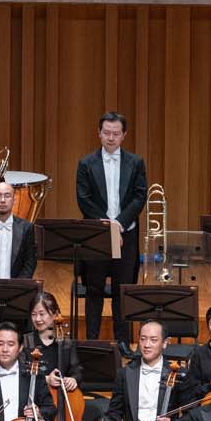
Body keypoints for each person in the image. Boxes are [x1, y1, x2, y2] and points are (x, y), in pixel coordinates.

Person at [75, 112, 145, 341]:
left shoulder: (136, 162)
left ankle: (123, 341)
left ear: (124, 135)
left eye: (116, 133)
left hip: (127, 233)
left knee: (121, 290)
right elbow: (84, 199)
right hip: (97, 234)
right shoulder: (86, 163)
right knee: (94, 289)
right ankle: (92, 340)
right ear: (99, 133)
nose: (111, 138)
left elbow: (139, 196)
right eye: (106, 133)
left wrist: (120, 224)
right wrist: (108, 225)